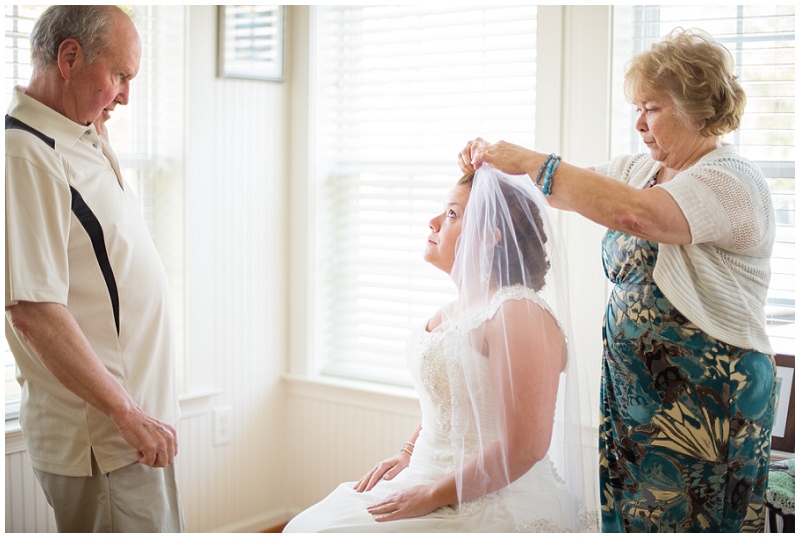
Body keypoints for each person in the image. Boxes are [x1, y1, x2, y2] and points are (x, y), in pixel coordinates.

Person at [459, 28, 777, 533]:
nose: (639, 123)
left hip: (708, 400)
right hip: (636, 392)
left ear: (696, 106)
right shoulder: (640, 170)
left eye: (651, 108)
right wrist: (495, 167)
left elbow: (636, 216)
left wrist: (529, 161)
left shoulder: (732, 180)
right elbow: (565, 190)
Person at [284, 165, 598, 532]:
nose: (433, 222)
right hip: (423, 476)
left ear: (489, 237)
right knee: (308, 526)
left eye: (451, 214)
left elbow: (526, 447)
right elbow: (455, 402)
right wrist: (408, 453)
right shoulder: (454, 310)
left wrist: (432, 495)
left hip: (493, 499)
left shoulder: (518, 313)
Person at [5, 5, 183, 532]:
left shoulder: (78, 133)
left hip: (136, 430)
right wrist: (126, 415)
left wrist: (96, 115)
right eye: (120, 76)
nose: (125, 96)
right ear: (69, 57)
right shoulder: (25, 154)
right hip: (106, 438)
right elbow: (35, 312)